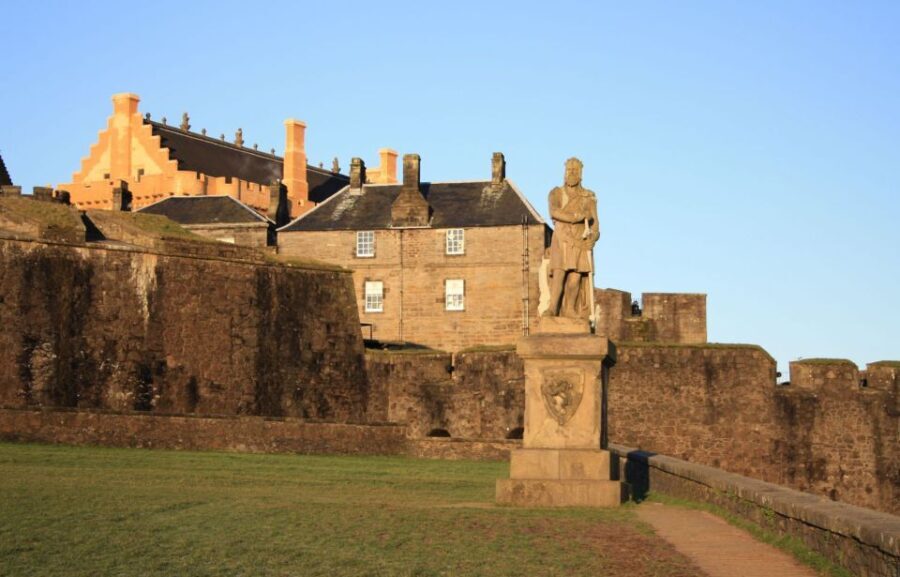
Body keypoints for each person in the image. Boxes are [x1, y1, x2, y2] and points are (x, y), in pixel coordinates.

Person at [544, 157, 599, 319]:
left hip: (580, 242)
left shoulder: (588, 197)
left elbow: (596, 225)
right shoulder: (556, 193)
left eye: (575, 170)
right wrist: (577, 216)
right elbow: (554, 212)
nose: (572, 173)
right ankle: (553, 308)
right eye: (569, 170)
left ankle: (570, 309)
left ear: (581, 174)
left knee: (575, 280)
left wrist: (593, 239)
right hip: (562, 239)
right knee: (559, 276)